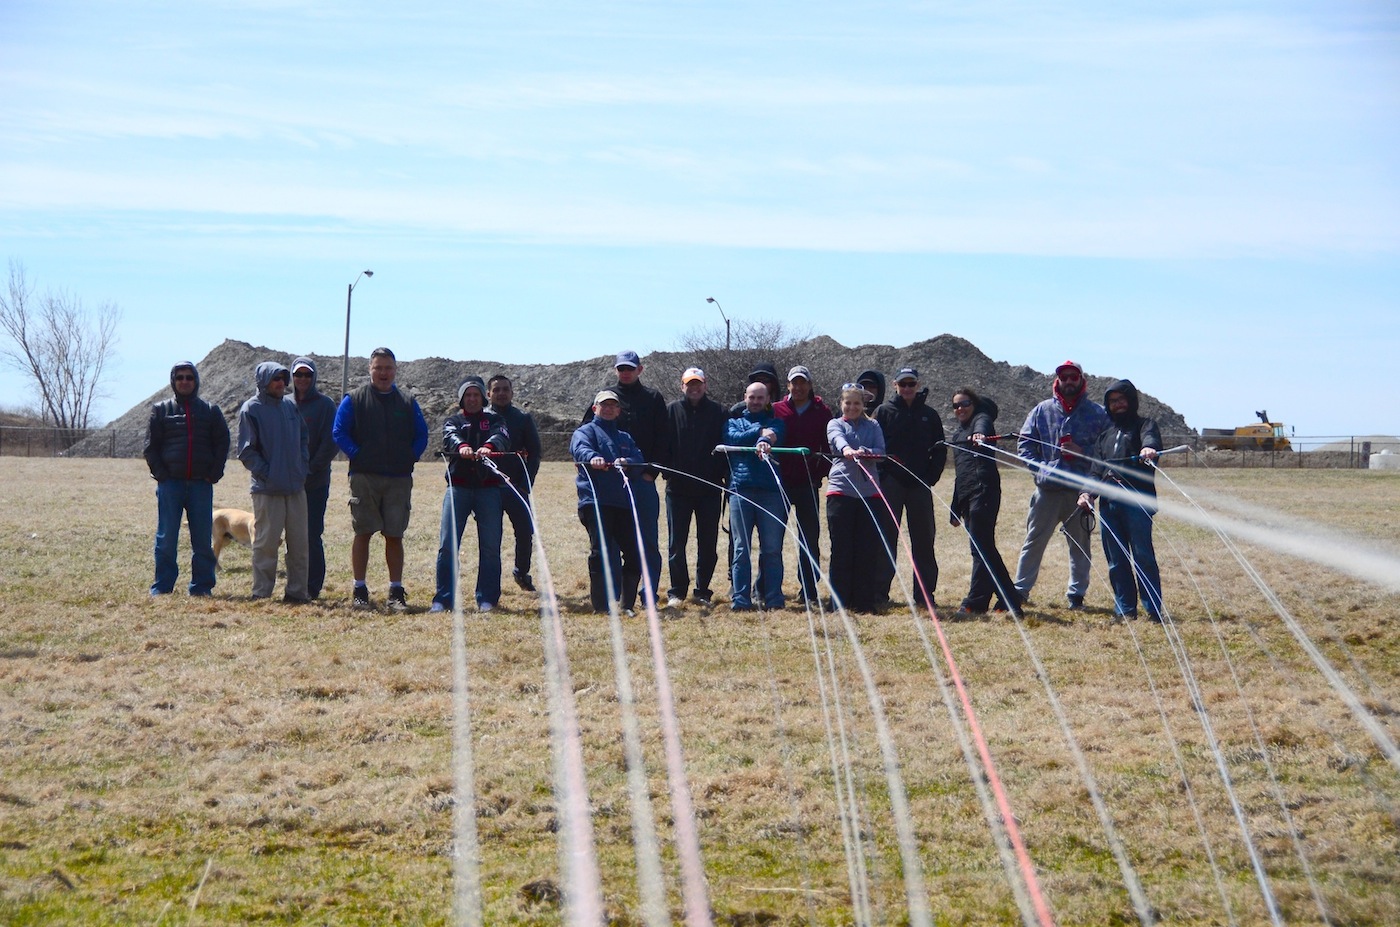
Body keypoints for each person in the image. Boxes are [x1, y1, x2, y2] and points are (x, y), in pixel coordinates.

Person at [332, 347, 430, 612]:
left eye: (388, 368)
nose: (383, 373)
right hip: (364, 477)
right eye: (378, 368)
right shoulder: (354, 399)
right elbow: (339, 431)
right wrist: (358, 454)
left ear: (395, 370)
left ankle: (396, 591)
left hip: (398, 478)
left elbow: (422, 434)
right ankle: (359, 589)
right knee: (362, 532)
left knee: (394, 535)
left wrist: (411, 456)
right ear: (370, 369)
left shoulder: (408, 401)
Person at [1013, 360, 1110, 610]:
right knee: (1033, 541)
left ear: (1081, 380)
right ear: (1058, 380)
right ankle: (1020, 591)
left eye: (1073, 377)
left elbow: (1106, 451)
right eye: (1064, 377)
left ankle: (1076, 595)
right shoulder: (1041, 410)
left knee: (1080, 546)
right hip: (1047, 492)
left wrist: (1082, 452)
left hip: (1081, 493)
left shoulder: (1098, 414)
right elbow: (1024, 446)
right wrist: (1041, 469)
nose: (1068, 381)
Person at [582, 351, 670, 608]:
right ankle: (614, 594)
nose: (625, 373)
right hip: (610, 483)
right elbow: (586, 435)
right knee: (609, 541)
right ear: (616, 370)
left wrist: (650, 472)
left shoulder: (653, 398)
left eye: (630, 368)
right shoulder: (604, 396)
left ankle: (648, 593)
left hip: (641, 479)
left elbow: (663, 437)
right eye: (621, 368)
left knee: (647, 539)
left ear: (640, 370)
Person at [1079, 380, 1164, 622]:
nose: (1118, 405)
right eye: (1112, 401)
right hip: (1109, 505)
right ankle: (1125, 608)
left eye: (1121, 400)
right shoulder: (1105, 436)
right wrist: (1086, 493)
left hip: (1137, 502)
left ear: (1131, 401)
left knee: (1143, 556)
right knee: (1116, 559)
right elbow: (1096, 471)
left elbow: (1151, 440)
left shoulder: (1144, 425)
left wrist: (1149, 448)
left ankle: (1153, 609)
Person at [143, 361, 231, 597]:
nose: (184, 381)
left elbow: (223, 443)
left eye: (189, 377)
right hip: (170, 485)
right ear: (173, 381)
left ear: (196, 381)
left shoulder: (210, 411)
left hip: (200, 485)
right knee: (166, 538)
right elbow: (150, 447)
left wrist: (214, 472)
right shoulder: (161, 410)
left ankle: (202, 587)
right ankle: (162, 587)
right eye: (179, 377)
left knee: (202, 540)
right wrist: (161, 475)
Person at [432, 377, 510, 613]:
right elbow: (450, 435)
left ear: (483, 398)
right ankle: (443, 598)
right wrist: (461, 447)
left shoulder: (495, 419)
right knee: (448, 544)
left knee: (490, 545)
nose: (473, 399)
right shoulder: (453, 421)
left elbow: (502, 436)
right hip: (458, 487)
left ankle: (487, 598)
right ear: (461, 399)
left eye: (476, 395)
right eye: (468, 395)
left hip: (489, 489)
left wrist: (489, 447)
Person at [873, 366, 947, 607]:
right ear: (895, 385)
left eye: (911, 384)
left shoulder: (930, 414)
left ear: (917, 385)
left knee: (924, 540)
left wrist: (930, 477)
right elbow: (875, 446)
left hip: (919, 485)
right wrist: (883, 476)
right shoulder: (883, 412)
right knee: (886, 539)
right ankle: (880, 593)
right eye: (902, 384)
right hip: (891, 483)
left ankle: (925, 596)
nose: (907, 388)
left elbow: (939, 449)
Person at [237, 361, 310, 601]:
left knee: (299, 545)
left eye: (282, 379)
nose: (281, 383)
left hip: (295, 488)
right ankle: (261, 593)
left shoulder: (290, 406)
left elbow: (303, 438)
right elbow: (247, 452)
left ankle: (297, 592)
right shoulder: (251, 409)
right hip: (267, 490)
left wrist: (301, 468)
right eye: (275, 379)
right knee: (266, 544)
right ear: (263, 381)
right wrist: (268, 473)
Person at [947, 387, 1021, 619]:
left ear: (974, 404)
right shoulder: (959, 435)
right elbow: (961, 474)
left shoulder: (982, 419)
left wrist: (979, 436)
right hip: (968, 496)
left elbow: (983, 425)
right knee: (981, 548)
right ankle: (997, 598)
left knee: (981, 547)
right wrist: (955, 507)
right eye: (956, 405)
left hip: (984, 492)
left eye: (965, 403)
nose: (960, 408)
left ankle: (989, 600)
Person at [572, 389, 645, 614]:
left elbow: (638, 460)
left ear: (618, 410)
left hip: (622, 503)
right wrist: (592, 458)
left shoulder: (625, 437)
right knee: (600, 552)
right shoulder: (585, 431)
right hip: (594, 501)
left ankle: (627, 605)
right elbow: (580, 449)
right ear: (595, 409)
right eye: (604, 405)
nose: (609, 409)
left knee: (634, 553)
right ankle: (601, 606)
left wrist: (628, 461)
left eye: (613, 405)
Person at [664, 367, 726, 608]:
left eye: (698, 383)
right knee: (676, 543)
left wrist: (720, 474)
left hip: (709, 489)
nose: (694, 388)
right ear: (682, 386)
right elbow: (664, 443)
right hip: (677, 490)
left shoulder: (719, 412)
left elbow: (724, 446)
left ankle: (702, 591)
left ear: (705, 385)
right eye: (689, 384)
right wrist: (667, 471)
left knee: (707, 543)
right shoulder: (671, 410)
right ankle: (677, 591)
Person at [771, 365, 833, 605]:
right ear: (787, 385)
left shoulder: (822, 411)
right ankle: (769, 588)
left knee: (809, 539)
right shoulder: (776, 409)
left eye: (802, 383)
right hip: (780, 484)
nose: (798, 387)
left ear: (809, 385)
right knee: (773, 539)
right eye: (793, 383)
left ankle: (808, 589)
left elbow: (827, 449)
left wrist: (818, 473)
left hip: (808, 485)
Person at [725, 381, 787, 611]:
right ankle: (740, 599)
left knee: (771, 548)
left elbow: (774, 435)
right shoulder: (733, 422)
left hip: (770, 493)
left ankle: (773, 598)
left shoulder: (776, 423)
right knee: (741, 548)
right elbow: (734, 439)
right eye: (752, 397)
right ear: (745, 398)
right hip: (740, 491)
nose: (756, 401)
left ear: (768, 400)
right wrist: (758, 433)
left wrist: (764, 439)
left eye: (761, 398)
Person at [825, 384, 887, 612]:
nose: (852, 407)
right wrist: (848, 451)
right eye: (848, 403)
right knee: (841, 549)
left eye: (857, 403)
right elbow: (837, 440)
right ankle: (838, 602)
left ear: (863, 405)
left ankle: (863, 603)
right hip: (841, 492)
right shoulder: (834, 424)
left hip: (870, 493)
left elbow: (881, 451)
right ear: (841, 404)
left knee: (866, 549)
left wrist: (866, 452)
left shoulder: (874, 425)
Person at [487, 374, 542, 592]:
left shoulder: (523, 418)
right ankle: (492, 582)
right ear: (489, 394)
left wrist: (525, 483)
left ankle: (521, 571)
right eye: (496, 390)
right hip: (488, 487)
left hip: (516, 487)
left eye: (505, 389)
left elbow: (535, 453)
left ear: (512, 392)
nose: (501, 393)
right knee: (492, 536)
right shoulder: (482, 418)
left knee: (524, 531)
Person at [291, 357, 337, 600]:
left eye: (307, 375)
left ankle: (312, 585)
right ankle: (294, 583)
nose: (302, 379)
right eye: (298, 375)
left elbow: (331, 443)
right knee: (291, 534)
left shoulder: (325, 405)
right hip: (287, 483)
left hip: (314, 482)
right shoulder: (284, 403)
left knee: (311, 533)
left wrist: (311, 469)